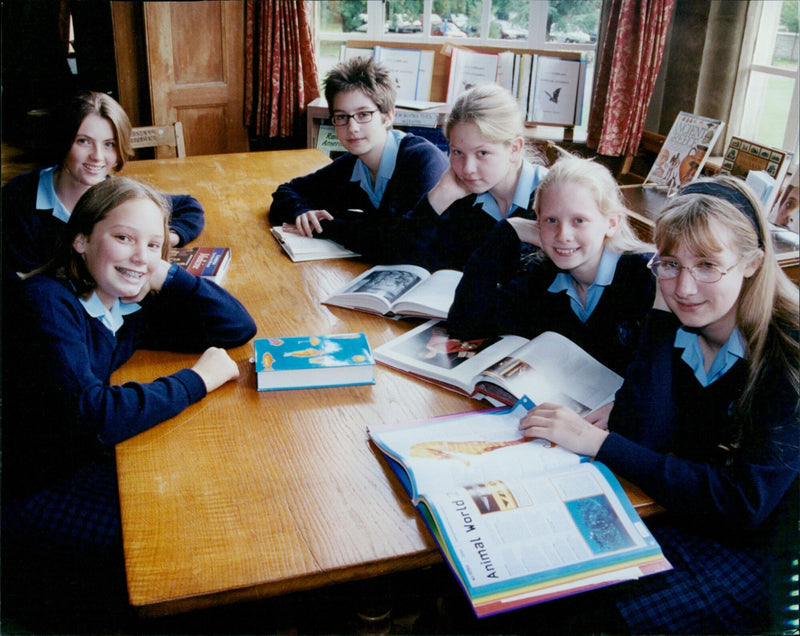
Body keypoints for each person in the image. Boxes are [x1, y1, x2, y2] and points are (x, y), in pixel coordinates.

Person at [518, 176, 799, 633]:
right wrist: (660, 314)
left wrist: (597, 442)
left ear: (752, 263)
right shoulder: (679, 317)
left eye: (707, 265)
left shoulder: (789, 354)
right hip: (671, 512)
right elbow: (641, 435)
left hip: (749, 558)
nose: (684, 287)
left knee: (577, 619)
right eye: (669, 263)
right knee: (528, 585)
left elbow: (744, 503)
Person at [1, 177, 256, 631]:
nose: (140, 255)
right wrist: (196, 380)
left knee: (210, 503)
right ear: (81, 239)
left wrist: (164, 272)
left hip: (81, 453)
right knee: (176, 546)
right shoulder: (47, 301)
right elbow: (95, 415)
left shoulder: (122, 304)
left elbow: (236, 327)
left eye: (153, 244)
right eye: (123, 238)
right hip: (30, 486)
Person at [448, 154, 656, 380]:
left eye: (579, 221)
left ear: (611, 223)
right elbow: (466, 326)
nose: (563, 235)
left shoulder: (648, 278)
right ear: (537, 219)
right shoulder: (542, 275)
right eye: (551, 220)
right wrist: (505, 233)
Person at [2, 90, 205, 276]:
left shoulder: (118, 194)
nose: (97, 157)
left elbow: (188, 207)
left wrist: (164, 239)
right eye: (83, 141)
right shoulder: (18, 199)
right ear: (63, 142)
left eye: (109, 144)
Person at [269, 56, 448, 263]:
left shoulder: (423, 161)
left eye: (363, 114)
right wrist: (302, 212)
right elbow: (284, 193)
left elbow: (403, 245)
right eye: (341, 117)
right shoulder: (352, 164)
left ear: (387, 116)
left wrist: (327, 227)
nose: (352, 128)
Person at [406, 83, 549, 272]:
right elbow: (404, 256)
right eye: (457, 152)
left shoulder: (553, 198)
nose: (467, 168)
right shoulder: (463, 195)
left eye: (482, 153)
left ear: (514, 149)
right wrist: (438, 198)